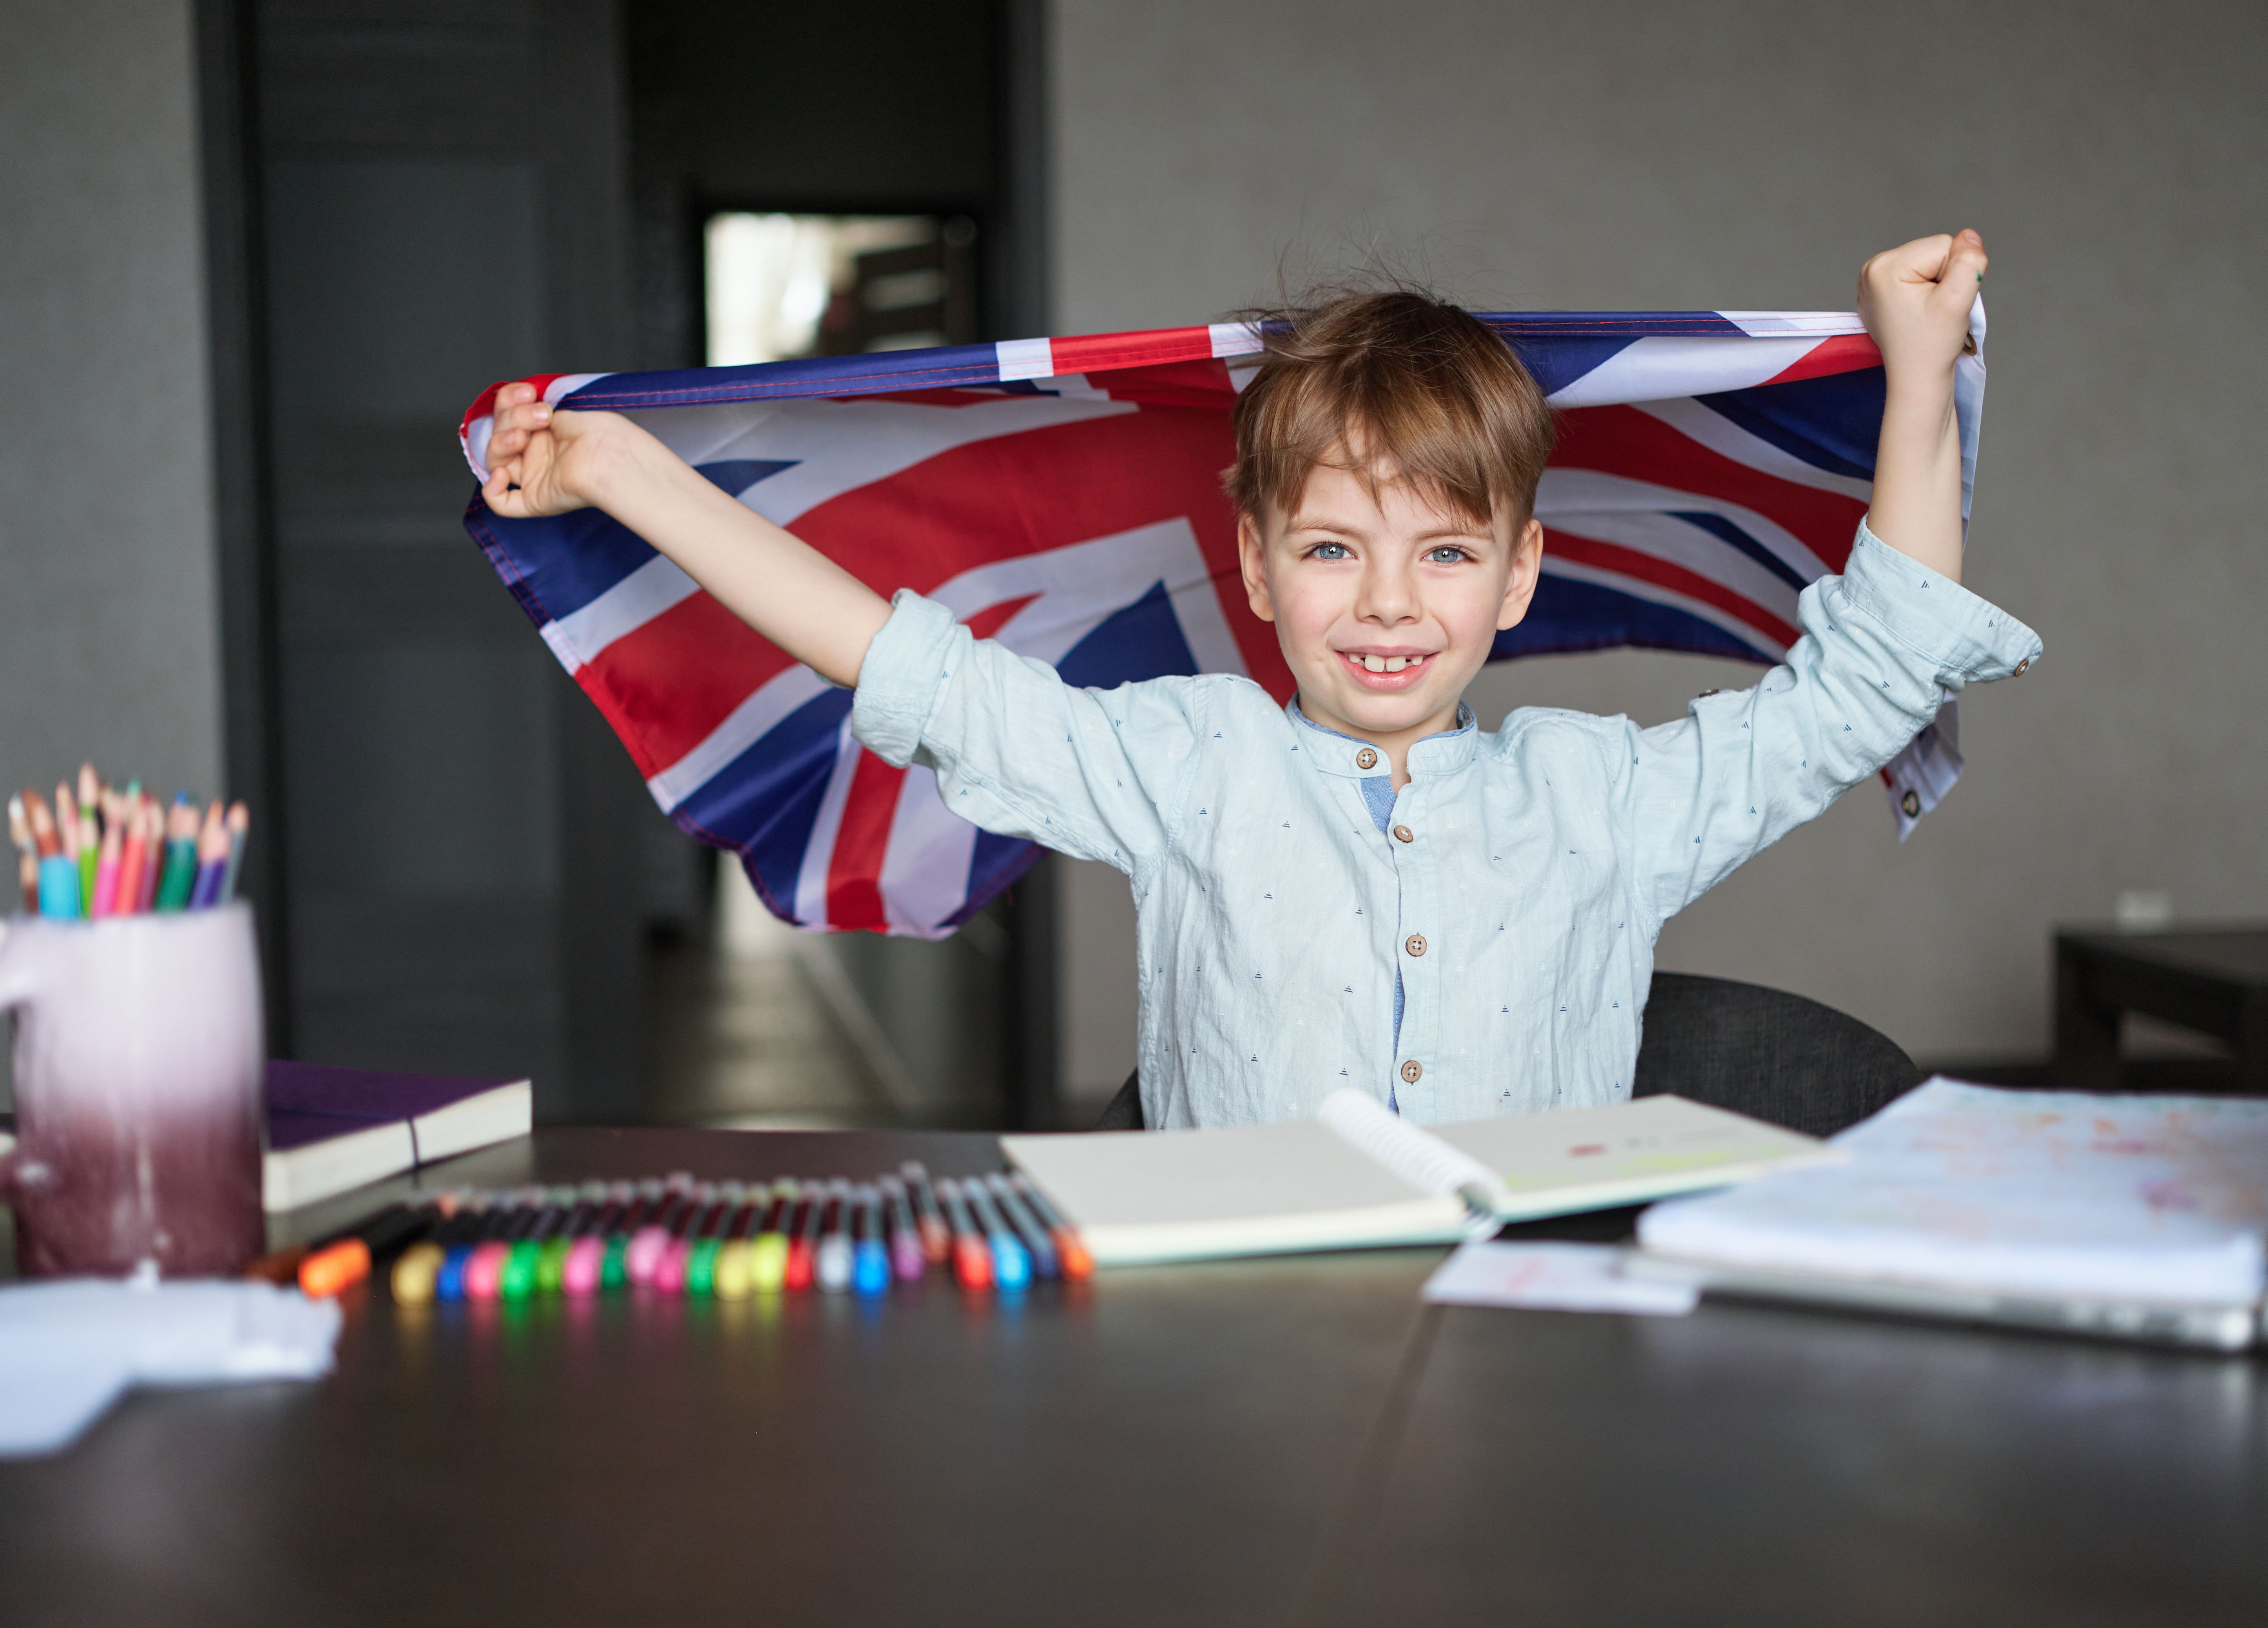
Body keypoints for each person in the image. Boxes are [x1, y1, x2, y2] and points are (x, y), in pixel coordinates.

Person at [480, 230, 2038, 1130]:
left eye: (1442, 555)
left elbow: (1872, 673)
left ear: (1518, 574)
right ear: (1254, 559)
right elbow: (904, 662)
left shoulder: (1609, 799)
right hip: (1223, 1381)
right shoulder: (1188, 761)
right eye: (1334, 547)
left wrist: (1917, 381)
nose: (1383, 604)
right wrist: (623, 468)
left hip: (1538, 1379)